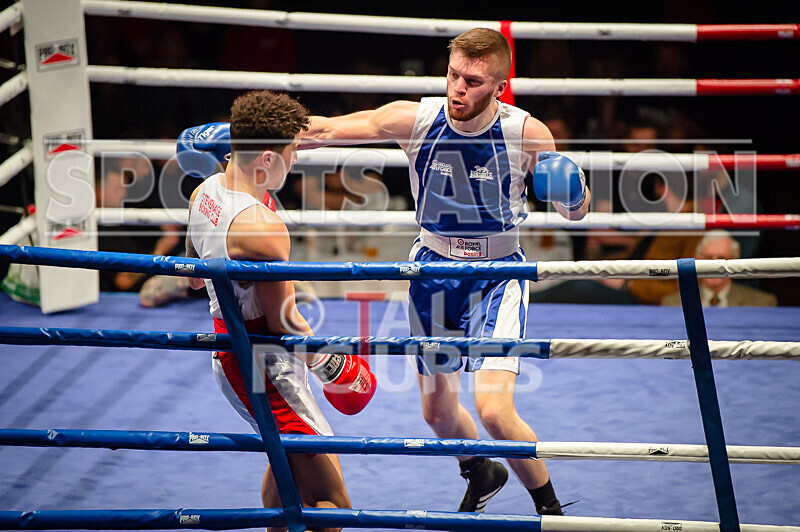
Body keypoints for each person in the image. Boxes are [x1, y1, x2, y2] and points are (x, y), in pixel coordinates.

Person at [178, 28, 590, 516]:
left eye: (474, 82)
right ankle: (480, 469)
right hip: (432, 269)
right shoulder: (416, 120)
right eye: (454, 74)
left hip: (497, 275)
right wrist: (241, 135)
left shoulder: (526, 132)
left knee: (495, 412)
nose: (459, 88)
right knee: (436, 413)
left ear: (499, 86)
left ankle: (552, 512)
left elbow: (577, 214)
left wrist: (573, 191)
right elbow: (324, 130)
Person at [183, 90, 377, 532]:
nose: (294, 163)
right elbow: (284, 323)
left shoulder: (203, 191)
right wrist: (335, 365)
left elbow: (193, 279)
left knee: (285, 482)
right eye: (291, 153)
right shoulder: (264, 229)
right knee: (332, 504)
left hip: (231, 354)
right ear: (267, 158)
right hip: (264, 367)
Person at [662, 230, 777, 307]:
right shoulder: (674, 304)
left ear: (734, 261)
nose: (714, 265)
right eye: (708, 257)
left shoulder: (761, 303)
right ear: (696, 259)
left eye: (721, 258)